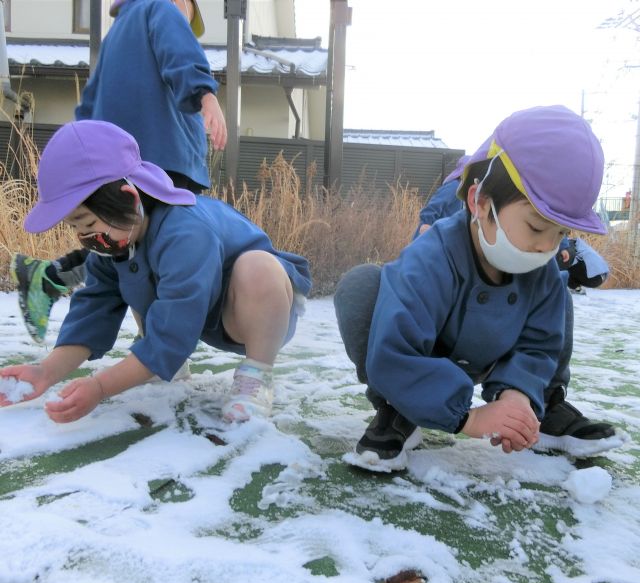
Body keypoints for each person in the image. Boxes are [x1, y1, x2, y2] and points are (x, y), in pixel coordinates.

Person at [334, 105, 620, 472]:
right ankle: (399, 409)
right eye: (535, 228)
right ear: (480, 202)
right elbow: (395, 351)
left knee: (560, 294)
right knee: (360, 286)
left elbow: (540, 343)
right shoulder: (431, 257)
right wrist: (469, 419)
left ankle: (542, 406)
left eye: (561, 233)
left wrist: (517, 395)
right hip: (426, 359)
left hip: (497, 353)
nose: (546, 246)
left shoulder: (544, 269)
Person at [0, 120, 310, 424]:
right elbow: (93, 311)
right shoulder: (118, 238)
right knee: (135, 272)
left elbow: (175, 330)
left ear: (129, 198)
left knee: (258, 268)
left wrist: (101, 387)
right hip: (197, 314)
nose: (84, 237)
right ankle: (165, 366)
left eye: (88, 223)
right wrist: (45, 372)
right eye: (75, 227)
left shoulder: (186, 233)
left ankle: (255, 376)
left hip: (253, 312)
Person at [11, 0, 227, 344]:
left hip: (112, 164)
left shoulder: (116, 34)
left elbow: (88, 107)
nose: (186, 25)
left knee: (123, 245)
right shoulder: (163, 9)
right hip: (162, 158)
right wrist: (205, 94)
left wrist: (78, 164)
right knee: (154, 247)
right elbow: (180, 52)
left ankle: (51, 276)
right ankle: (154, 342)